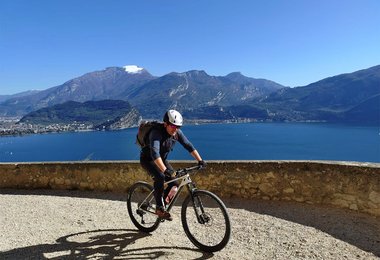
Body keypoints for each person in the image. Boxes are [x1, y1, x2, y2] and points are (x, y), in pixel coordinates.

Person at [139, 109, 206, 220]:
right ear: (166, 124)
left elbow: (188, 145)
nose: (176, 129)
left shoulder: (176, 133)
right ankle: (159, 208)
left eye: (178, 127)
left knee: (174, 183)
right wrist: (165, 170)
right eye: (173, 126)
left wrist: (200, 160)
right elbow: (155, 153)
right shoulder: (156, 133)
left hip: (162, 160)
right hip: (148, 160)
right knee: (160, 177)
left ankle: (163, 206)